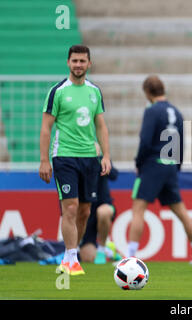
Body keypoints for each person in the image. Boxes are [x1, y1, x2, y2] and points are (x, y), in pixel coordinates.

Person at [39, 45, 112, 275]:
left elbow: (101, 125)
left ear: (89, 64)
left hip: (90, 158)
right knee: (70, 207)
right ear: (68, 63)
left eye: (82, 61)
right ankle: (70, 259)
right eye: (74, 61)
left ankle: (71, 254)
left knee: (85, 211)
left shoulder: (94, 91)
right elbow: (45, 128)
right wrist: (44, 160)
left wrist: (106, 156)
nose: (78, 65)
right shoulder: (58, 91)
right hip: (65, 157)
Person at [127, 75, 192, 265]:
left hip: (153, 164)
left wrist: (139, 162)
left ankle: (130, 257)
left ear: (147, 93)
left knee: (138, 209)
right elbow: (181, 143)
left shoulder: (152, 111)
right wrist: (176, 166)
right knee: (181, 211)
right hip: (170, 165)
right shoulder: (176, 112)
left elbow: (145, 140)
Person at [80, 144, 122, 264]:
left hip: (103, 205)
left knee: (104, 212)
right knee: (87, 259)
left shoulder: (100, 158)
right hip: (86, 213)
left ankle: (103, 249)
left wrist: (99, 158)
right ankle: (110, 250)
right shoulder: (75, 162)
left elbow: (114, 175)